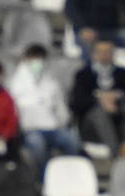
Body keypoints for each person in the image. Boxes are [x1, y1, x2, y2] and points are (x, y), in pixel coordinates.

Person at [8, 44, 79, 177]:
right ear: (26, 60)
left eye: (40, 59)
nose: (37, 63)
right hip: (29, 130)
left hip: (53, 128)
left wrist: (63, 123)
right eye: (34, 59)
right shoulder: (15, 84)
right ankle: (44, 180)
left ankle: (72, 177)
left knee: (71, 141)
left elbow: (61, 109)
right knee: (37, 145)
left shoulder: (52, 82)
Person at [70, 39, 125, 158]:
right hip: (91, 123)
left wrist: (116, 97)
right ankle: (116, 152)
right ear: (93, 54)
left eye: (108, 52)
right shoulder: (83, 74)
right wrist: (100, 100)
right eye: (101, 52)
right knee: (99, 112)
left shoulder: (122, 73)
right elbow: (77, 103)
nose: (105, 55)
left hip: (119, 115)